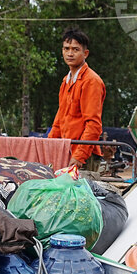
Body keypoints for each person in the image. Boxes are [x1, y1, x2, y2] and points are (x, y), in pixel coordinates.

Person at [48, 28, 106, 172]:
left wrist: (80, 156)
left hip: (84, 156)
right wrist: (48, 146)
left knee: (80, 187)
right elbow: (59, 120)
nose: (70, 53)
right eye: (66, 49)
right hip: (65, 151)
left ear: (85, 53)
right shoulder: (66, 81)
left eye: (75, 49)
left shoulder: (91, 81)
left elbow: (93, 124)